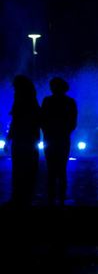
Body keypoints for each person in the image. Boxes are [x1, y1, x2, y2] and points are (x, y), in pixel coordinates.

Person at [40, 77, 78, 205]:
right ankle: (61, 198)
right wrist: (65, 132)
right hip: (63, 138)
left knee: (51, 169)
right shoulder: (70, 102)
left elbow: (42, 119)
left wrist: (47, 131)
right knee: (62, 169)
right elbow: (73, 122)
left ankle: (51, 198)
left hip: (50, 138)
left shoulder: (47, 101)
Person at [6, 75, 41, 206]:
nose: (14, 88)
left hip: (21, 138)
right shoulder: (33, 101)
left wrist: (9, 137)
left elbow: (16, 122)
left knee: (19, 168)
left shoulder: (20, 100)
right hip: (30, 138)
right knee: (29, 168)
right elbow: (38, 120)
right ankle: (27, 198)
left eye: (15, 86)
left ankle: (18, 198)